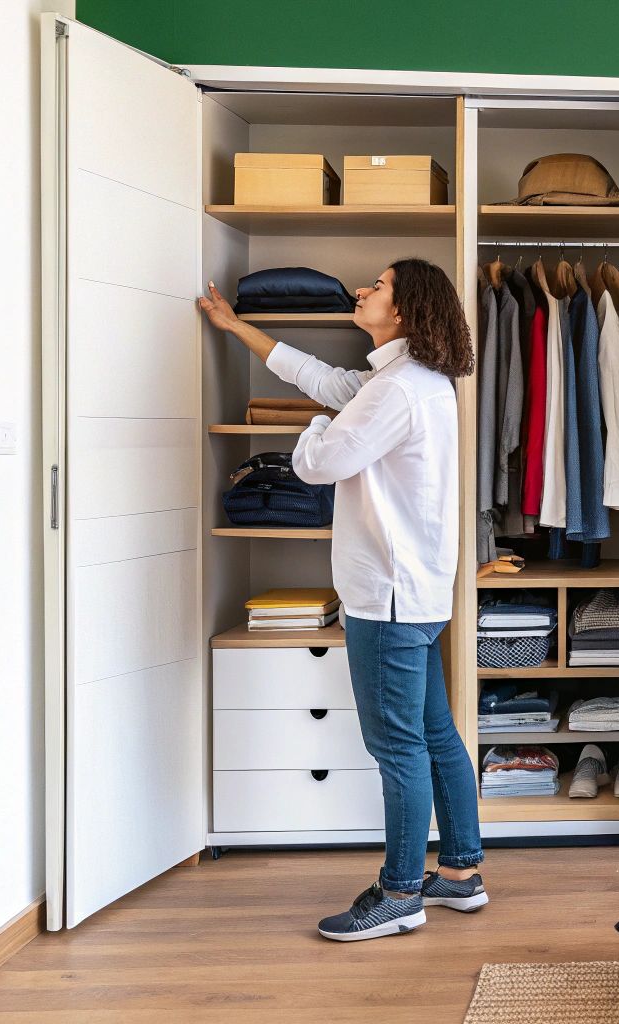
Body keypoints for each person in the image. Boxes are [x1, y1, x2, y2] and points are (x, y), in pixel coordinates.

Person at [198, 259, 485, 941]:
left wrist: (313, 430)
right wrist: (239, 328)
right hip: (415, 590)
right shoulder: (408, 381)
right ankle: (461, 873)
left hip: (384, 595)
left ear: (408, 309)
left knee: (397, 747)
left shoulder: (396, 392)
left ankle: (399, 893)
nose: (362, 290)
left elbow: (319, 465)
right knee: (434, 734)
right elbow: (320, 378)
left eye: (378, 285)